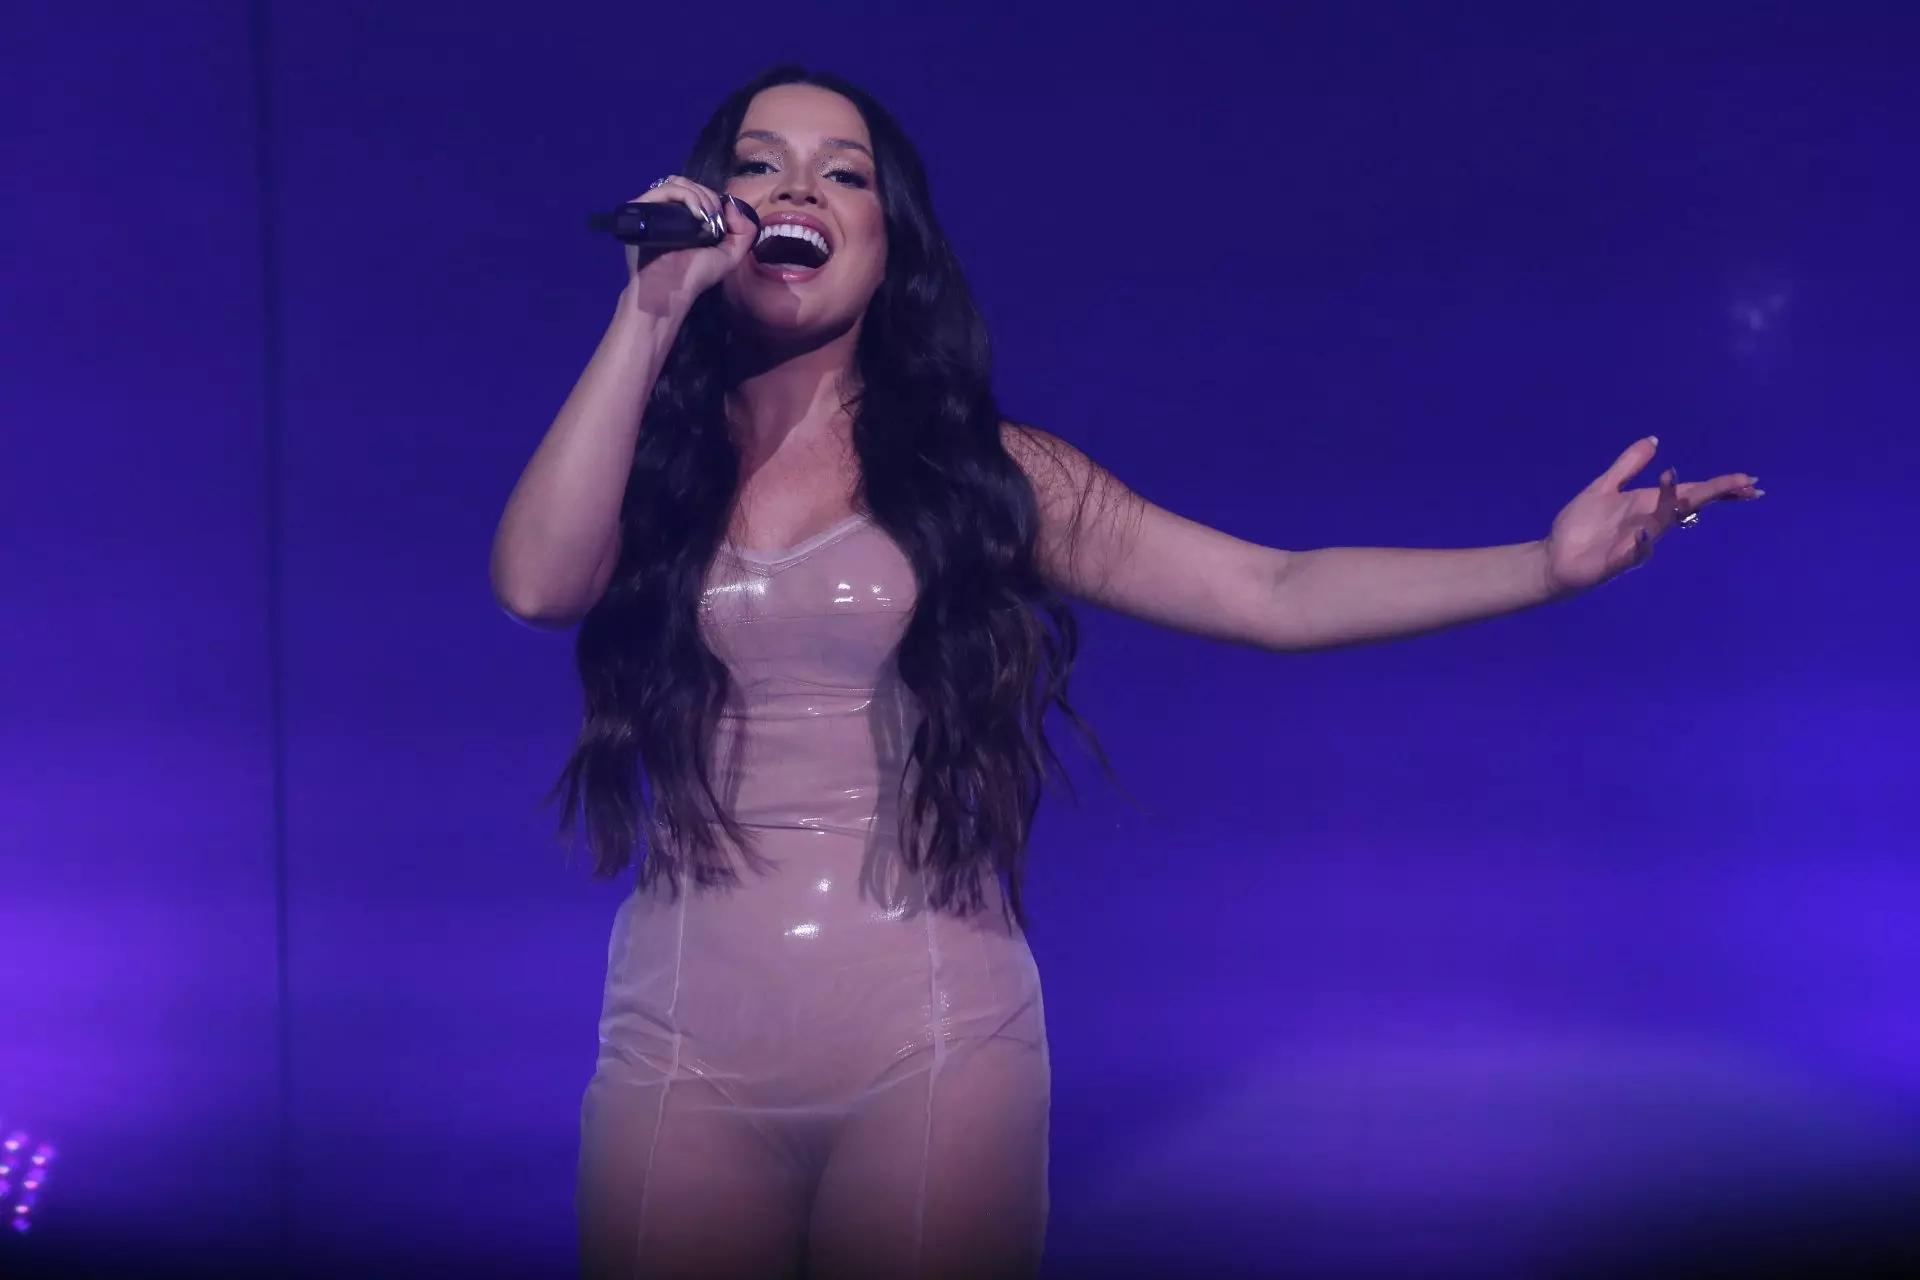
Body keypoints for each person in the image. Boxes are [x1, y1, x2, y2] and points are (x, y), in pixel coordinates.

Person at [490, 65, 1762, 1280]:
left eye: (845, 173)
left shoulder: (989, 474)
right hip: (683, 1039)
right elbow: (538, 584)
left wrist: (1542, 566)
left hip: (931, 1037)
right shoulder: (652, 467)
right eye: (761, 166)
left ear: (890, 244)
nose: (800, 191)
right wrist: (651, 308)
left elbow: (1272, 592)